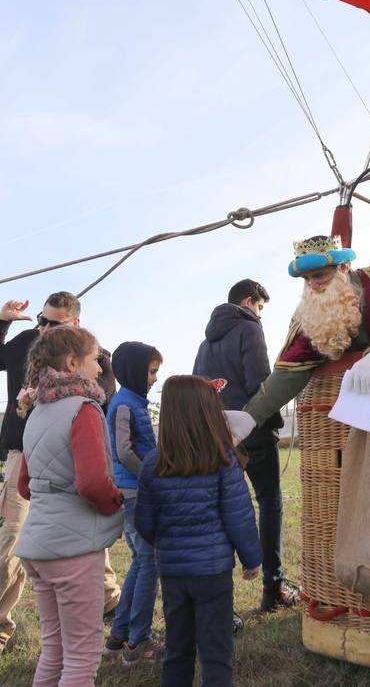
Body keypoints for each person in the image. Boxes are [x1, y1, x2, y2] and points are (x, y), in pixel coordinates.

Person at [0, 291, 119, 654]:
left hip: (74, 456)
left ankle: (110, 601)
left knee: (85, 525)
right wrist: (2, 321)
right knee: (13, 536)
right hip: (27, 453)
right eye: (41, 319)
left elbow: (103, 400)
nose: (43, 327)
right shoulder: (26, 343)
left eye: (53, 322)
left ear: (74, 324)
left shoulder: (92, 356)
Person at [228, 236, 370, 442]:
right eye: (306, 279)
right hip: (357, 417)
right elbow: (291, 367)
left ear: (344, 267)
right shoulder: (312, 315)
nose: (313, 286)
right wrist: (250, 416)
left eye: (319, 275)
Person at [135, 375, 262, 687]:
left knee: (177, 650)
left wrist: (168, 545)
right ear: (209, 412)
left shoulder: (153, 463)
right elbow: (239, 516)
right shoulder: (223, 459)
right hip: (213, 573)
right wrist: (252, 559)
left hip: (174, 573)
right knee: (215, 652)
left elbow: (144, 523)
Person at [193, 278, 298, 612]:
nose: (262, 315)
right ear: (249, 301)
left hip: (214, 436)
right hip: (250, 432)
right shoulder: (250, 329)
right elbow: (259, 384)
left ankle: (218, 602)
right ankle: (273, 587)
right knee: (269, 503)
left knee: (221, 511)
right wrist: (273, 422)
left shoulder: (204, 343)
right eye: (261, 307)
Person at [105, 341, 163, 665]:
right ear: (133, 370)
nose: (154, 378)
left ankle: (118, 635)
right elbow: (125, 451)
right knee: (150, 563)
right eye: (152, 371)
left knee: (142, 563)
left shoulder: (134, 402)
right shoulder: (125, 404)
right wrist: (151, 476)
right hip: (135, 493)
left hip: (134, 492)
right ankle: (138, 641)